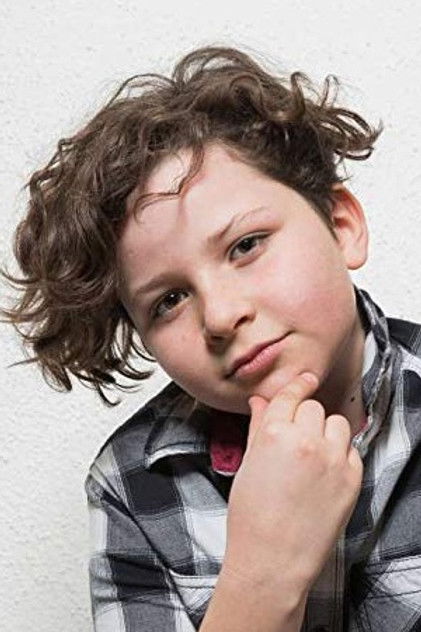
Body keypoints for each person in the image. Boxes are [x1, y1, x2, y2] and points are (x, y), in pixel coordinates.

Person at [2, 45, 421, 631]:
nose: (220, 316)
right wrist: (262, 574)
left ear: (341, 225)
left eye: (246, 245)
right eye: (169, 300)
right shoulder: (134, 483)